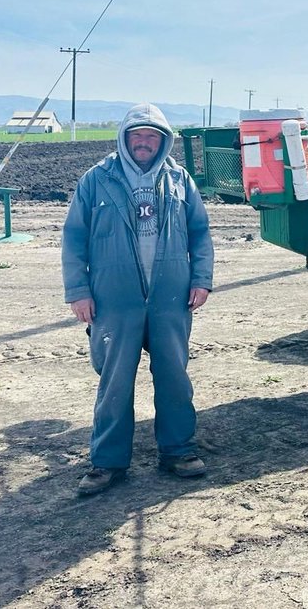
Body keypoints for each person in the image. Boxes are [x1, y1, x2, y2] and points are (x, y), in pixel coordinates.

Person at [62, 103, 214, 496]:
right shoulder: (96, 180)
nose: (144, 143)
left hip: (171, 296)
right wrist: (78, 291)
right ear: (124, 138)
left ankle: (178, 451)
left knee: (174, 377)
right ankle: (108, 462)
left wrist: (201, 279)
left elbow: (200, 234)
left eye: (152, 136)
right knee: (114, 381)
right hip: (114, 299)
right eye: (137, 135)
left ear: (163, 141)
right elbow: (74, 239)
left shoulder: (180, 181)